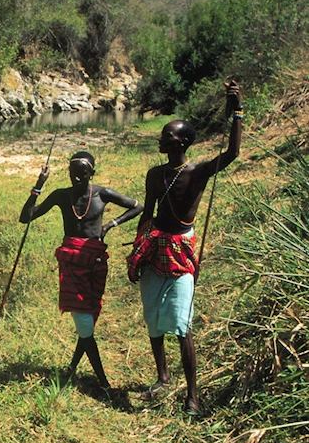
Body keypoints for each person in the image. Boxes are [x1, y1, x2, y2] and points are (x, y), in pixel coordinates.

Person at [127, 81, 243, 414]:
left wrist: (237, 111)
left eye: (166, 135)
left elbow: (233, 154)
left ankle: (193, 396)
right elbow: (147, 216)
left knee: (182, 323)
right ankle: (163, 377)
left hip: (180, 252)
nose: (161, 139)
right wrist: (137, 253)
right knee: (153, 318)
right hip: (153, 249)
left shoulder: (198, 173)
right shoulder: (154, 175)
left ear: (182, 142)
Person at [20, 151, 143, 388]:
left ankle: (72, 369)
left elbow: (137, 206)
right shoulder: (61, 195)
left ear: (91, 173)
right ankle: (104, 382)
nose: (76, 178)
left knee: (88, 316)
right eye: (73, 174)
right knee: (83, 320)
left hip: (95, 261)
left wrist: (111, 224)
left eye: (82, 174)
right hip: (71, 261)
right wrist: (38, 185)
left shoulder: (102, 194)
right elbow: (26, 218)